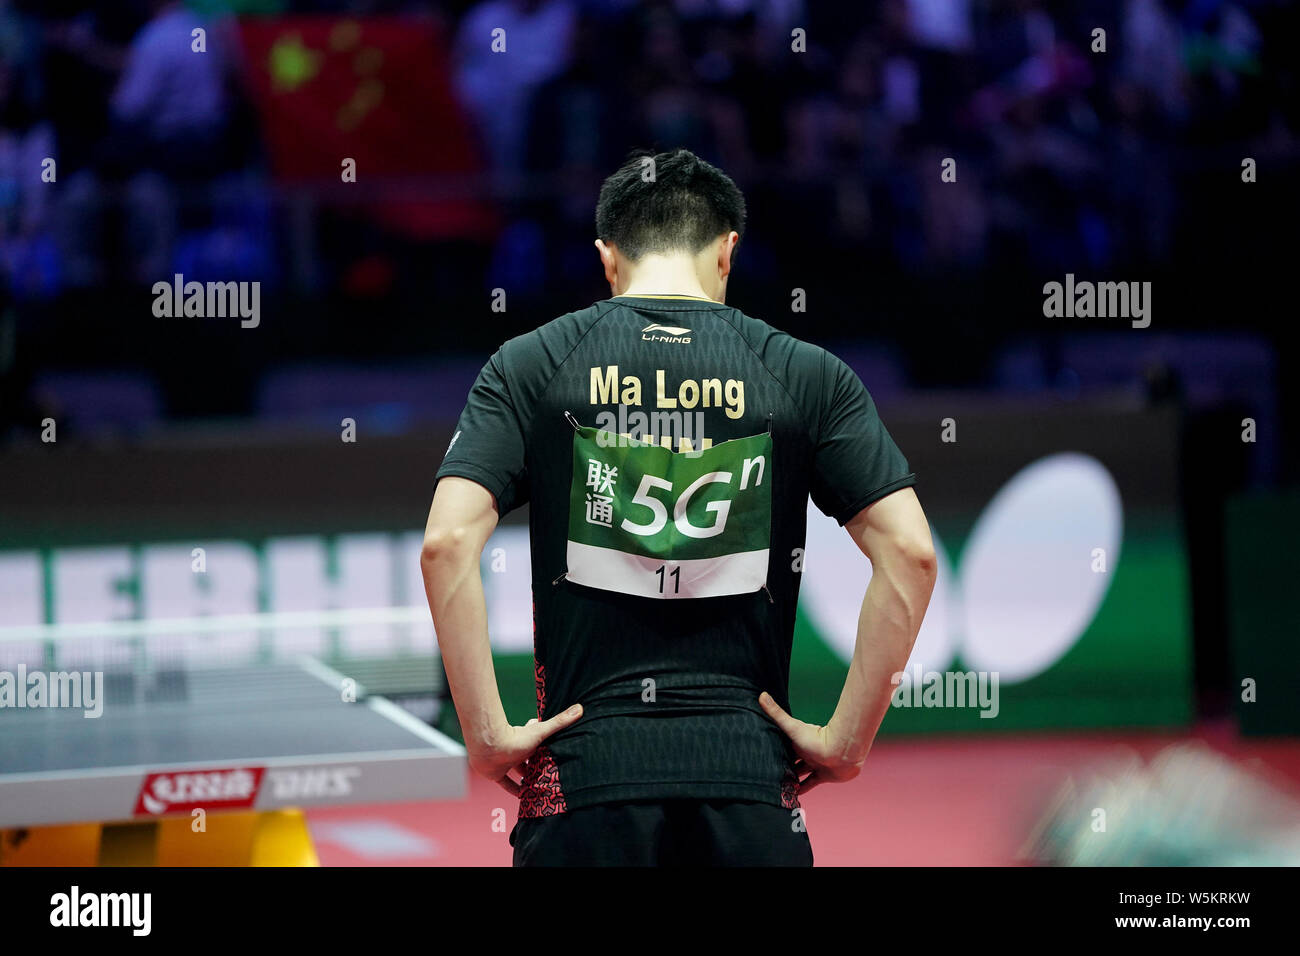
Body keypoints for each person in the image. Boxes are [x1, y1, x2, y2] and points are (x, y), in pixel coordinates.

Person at [421, 148, 936, 866]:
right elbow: (910, 554)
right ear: (728, 252)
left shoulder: (529, 366)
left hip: (581, 789)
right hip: (752, 793)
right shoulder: (805, 374)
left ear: (608, 258)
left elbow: (446, 542)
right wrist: (848, 739)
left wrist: (484, 731)